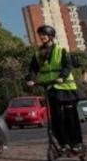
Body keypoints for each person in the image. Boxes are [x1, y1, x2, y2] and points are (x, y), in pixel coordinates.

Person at [26, 25, 83, 154]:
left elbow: (67, 66)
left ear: (50, 36)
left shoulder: (61, 50)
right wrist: (31, 79)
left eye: (44, 34)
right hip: (50, 87)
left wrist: (62, 77)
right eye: (40, 34)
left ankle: (76, 143)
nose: (41, 37)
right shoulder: (38, 53)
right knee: (56, 118)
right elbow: (33, 69)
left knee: (70, 117)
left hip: (66, 87)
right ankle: (63, 144)